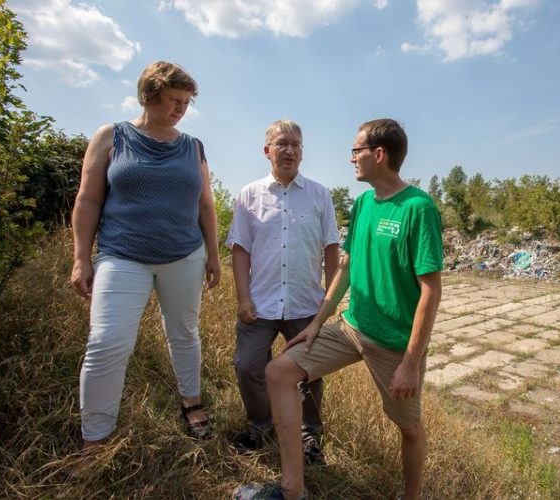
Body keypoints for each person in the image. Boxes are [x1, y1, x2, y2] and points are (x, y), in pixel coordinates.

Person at [233, 118, 443, 500]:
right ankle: (292, 490)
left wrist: (411, 362)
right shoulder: (363, 203)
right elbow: (345, 267)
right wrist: (318, 322)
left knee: (409, 428)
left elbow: (431, 291)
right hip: (352, 328)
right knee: (279, 372)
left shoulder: (418, 208)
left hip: (395, 344)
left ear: (378, 155)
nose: (351, 159)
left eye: (356, 151)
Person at [70, 61, 220, 449]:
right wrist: (80, 258)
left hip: (184, 255)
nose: (181, 109)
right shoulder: (111, 137)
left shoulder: (194, 147)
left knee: (184, 334)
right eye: (174, 100)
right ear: (149, 95)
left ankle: (192, 401)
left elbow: (206, 206)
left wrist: (214, 256)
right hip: (122, 255)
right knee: (106, 341)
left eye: (186, 102)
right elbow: (87, 200)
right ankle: (96, 437)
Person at [226, 119, 340, 465]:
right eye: (282, 144)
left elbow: (332, 248)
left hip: (306, 304)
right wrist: (243, 297)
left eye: (296, 145)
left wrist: (329, 299)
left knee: (310, 374)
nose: (289, 150)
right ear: (268, 151)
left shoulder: (320, 195)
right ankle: (262, 427)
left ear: (302, 153)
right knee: (248, 366)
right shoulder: (249, 195)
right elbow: (240, 249)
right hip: (259, 303)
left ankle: (309, 438)